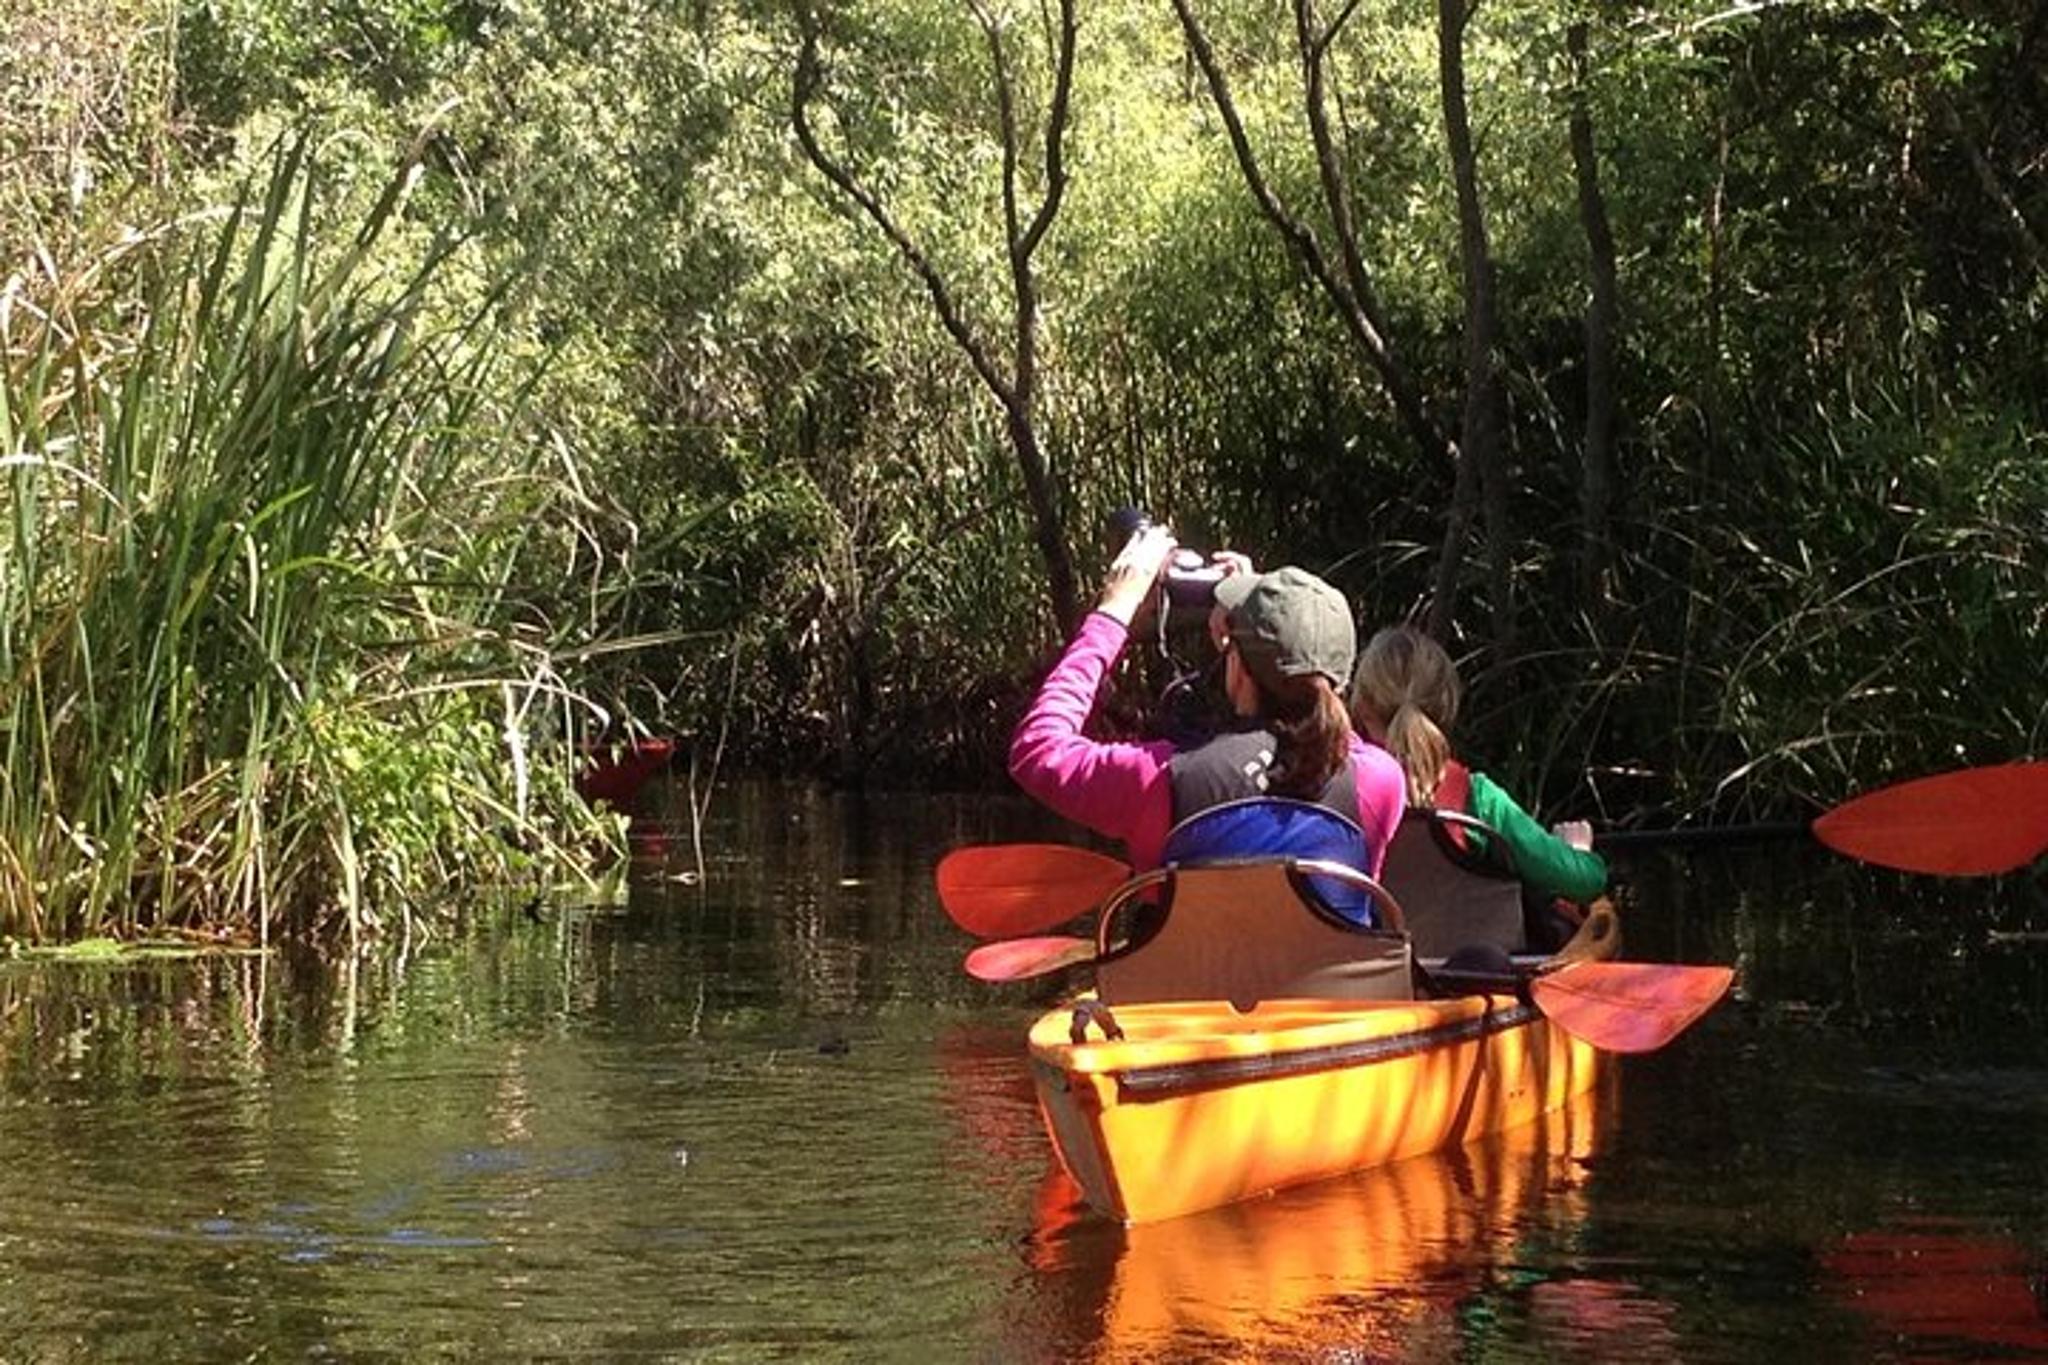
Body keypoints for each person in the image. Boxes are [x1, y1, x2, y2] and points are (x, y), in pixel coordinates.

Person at [1007, 523, 1407, 886]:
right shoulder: (1381, 783)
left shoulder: (1159, 779)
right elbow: (1319, 718)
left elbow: (1037, 749)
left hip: (1187, 969)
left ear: (1238, 666)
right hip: (1321, 968)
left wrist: (1114, 612)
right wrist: (1258, 622)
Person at [1348, 624, 1608, 905]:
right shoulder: (1479, 800)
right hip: (1466, 949)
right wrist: (1577, 852)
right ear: (1448, 705)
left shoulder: (1339, 791)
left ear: (1361, 708)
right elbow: (1584, 882)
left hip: (1369, 948)